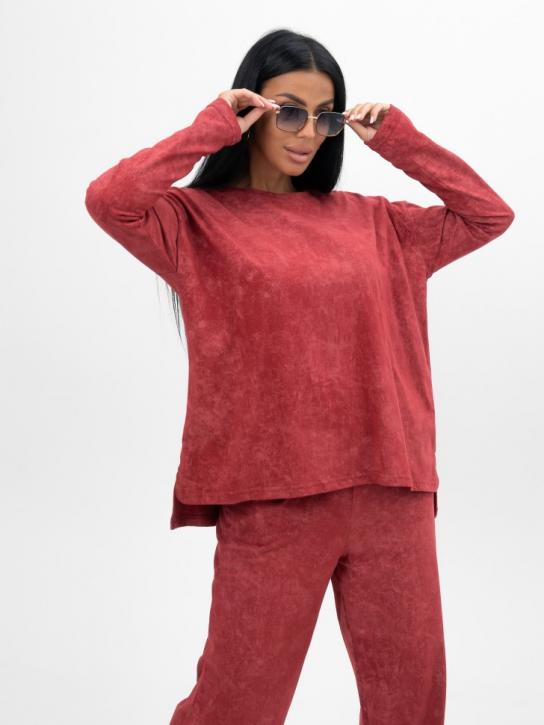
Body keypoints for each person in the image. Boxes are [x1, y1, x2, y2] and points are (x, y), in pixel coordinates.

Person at [84, 28, 514, 725]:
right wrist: (209, 126)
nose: (309, 132)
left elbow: (488, 214)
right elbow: (110, 200)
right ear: (252, 110)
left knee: (412, 707)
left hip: (392, 491)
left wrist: (399, 140)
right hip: (272, 497)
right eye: (288, 111)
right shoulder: (194, 222)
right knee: (237, 706)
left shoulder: (379, 224)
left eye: (325, 115)